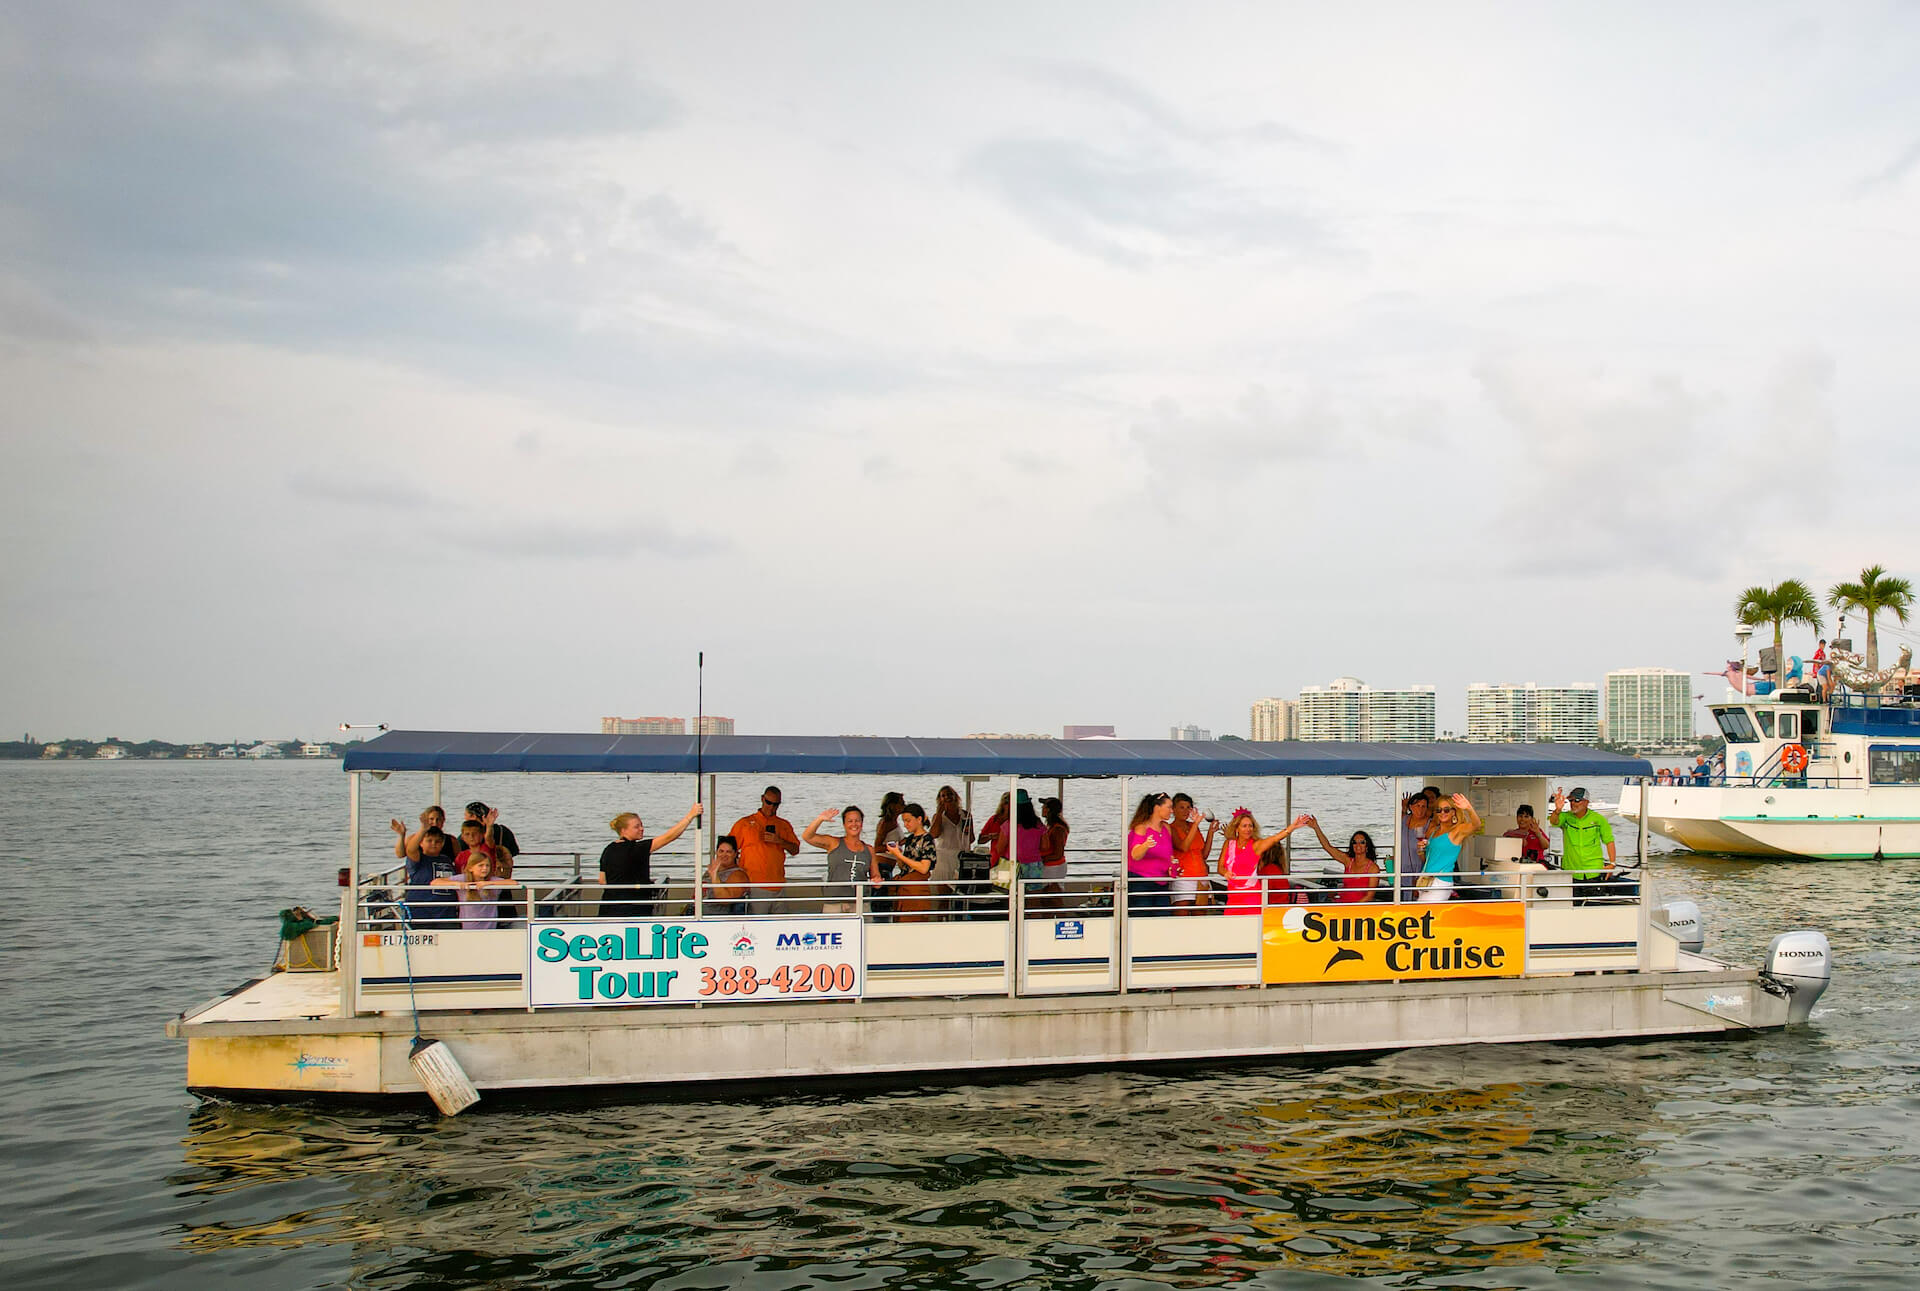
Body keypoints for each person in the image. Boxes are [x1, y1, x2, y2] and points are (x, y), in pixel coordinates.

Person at [598, 804, 703, 918]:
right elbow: (669, 837)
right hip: (634, 908)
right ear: (623, 830)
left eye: (641, 825)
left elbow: (602, 880)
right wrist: (691, 815)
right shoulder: (637, 849)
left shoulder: (608, 849)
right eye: (636, 827)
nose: (641, 829)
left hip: (609, 907)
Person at [1216, 809, 1310, 913]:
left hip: (1252, 897)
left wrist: (1291, 828)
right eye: (1244, 826)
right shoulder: (1228, 844)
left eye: (1250, 826)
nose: (1248, 829)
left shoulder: (1256, 845)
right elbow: (1220, 867)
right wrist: (1225, 873)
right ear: (1236, 828)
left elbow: (1275, 839)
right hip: (1233, 896)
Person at [728, 786, 802, 916]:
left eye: (776, 804)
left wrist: (780, 841)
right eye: (769, 803)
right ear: (762, 799)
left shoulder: (784, 825)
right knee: (756, 926)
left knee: (780, 927)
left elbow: (795, 850)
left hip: (779, 884)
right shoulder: (744, 823)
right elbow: (727, 850)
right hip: (754, 885)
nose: (772, 807)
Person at [803, 806, 881, 916]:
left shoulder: (869, 849)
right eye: (850, 821)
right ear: (844, 824)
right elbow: (807, 836)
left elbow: (876, 877)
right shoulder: (833, 843)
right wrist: (820, 819)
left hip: (860, 904)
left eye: (857, 821)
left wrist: (877, 881)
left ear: (862, 823)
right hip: (834, 903)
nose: (854, 824)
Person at [1549, 787, 1620, 903]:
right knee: (1572, 907)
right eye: (1570, 800)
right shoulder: (1566, 817)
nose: (1573, 804)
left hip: (1594, 872)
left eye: (1577, 800)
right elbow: (1554, 821)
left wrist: (1612, 863)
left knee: (1593, 907)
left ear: (1586, 802)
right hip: (1572, 872)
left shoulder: (1598, 819)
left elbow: (1609, 841)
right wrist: (1557, 810)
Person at [1297, 816, 1385, 902]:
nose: (1358, 845)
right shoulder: (1348, 861)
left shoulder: (1373, 868)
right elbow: (1327, 847)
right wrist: (1316, 827)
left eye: (1362, 842)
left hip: (1359, 909)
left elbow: (1369, 896)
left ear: (1367, 846)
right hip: (1341, 903)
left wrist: (1352, 908)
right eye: (1354, 842)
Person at [1417, 793, 1482, 903]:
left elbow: (1477, 826)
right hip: (1426, 880)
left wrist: (1469, 808)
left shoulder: (1457, 831)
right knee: (1426, 916)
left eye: (1446, 810)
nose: (1442, 813)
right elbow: (1427, 860)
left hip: (1440, 882)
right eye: (1439, 810)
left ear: (1454, 812)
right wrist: (1420, 850)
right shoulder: (1433, 831)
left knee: (1426, 913)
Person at [884, 802, 939, 922]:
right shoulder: (910, 839)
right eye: (904, 821)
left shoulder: (927, 839)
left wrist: (899, 855)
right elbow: (904, 866)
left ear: (919, 819)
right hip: (905, 884)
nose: (906, 824)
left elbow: (924, 868)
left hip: (916, 888)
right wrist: (897, 855)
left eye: (908, 820)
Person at [434, 848, 515, 930]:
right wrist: (456, 884)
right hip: (469, 927)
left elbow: (513, 883)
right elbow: (435, 882)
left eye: (487, 865)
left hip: (490, 928)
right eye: (481, 865)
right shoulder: (463, 878)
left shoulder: (492, 880)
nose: (485, 868)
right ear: (470, 868)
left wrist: (488, 883)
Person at [1126, 792, 1177, 916]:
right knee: (1142, 916)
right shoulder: (1141, 827)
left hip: (1162, 881)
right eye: (1169, 807)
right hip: (1142, 881)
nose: (1172, 811)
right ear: (1157, 807)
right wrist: (1145, 845)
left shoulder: (1166, 828)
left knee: (1163, 916)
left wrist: (1172, 867)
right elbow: (1135, 854)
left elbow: (1169, 854)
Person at [1169, 793, 1219, 914]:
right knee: (1182, 916)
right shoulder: (1171, 828)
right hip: (1183, 878)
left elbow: (1204, 855)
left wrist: (1211, 832)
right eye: (1182, 807)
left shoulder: (1193, 827)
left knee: (1200, 917)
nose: (1185, 811)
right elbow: (1183, 847)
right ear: (1173, 809)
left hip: (1201, 875)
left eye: (1188, 808)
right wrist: (1196, 824)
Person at [400, 825, 460, 925]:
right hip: (422, 911)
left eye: (438, 841)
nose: (433, 844)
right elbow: (410, 850)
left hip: (446, 912)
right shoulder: (419, 859)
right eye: (429, 840)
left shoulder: (446, 859)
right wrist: (423, 829)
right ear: (421, 843)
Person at [931, 785, 974, 908]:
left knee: (961, 897)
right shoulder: (938, 817)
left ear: (955, 796)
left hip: (961, 858)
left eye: (949, 794)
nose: (947, 798)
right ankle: (941, 922)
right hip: (943, 860)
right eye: (943, 796)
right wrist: (939, 813)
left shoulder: (966, 815)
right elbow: (934, 834)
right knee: (943, 898)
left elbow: (971, 838)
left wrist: (966, 829)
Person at [1397, 793, 1434, 903]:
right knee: (1400, 900)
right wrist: (1403, 807)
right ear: (1411, 807)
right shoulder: (1404, 819)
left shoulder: (1430, 823)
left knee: (1418, 900)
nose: (1420, 809)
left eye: (1423, 806)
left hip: (1420, 866)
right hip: (1403, 867)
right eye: (1418, 806)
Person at [704, 835, 751, 916]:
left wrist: (715, 877)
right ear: (716, 852)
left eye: (728, 852)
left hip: (716, 918)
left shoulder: (738, 875)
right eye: (721, 851)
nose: (724, 855)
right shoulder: (712, 870)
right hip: (697, 912)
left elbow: (724, 899)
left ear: (735, 854)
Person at [1038, 796, 1070, 907]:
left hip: (1054, 867)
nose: (1042, 808)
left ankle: (1060, 918)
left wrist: (1040, 859)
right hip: (1050, 866)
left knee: (1054, 897)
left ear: (1049, 810)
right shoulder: (1051, 827)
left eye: (1044, 806)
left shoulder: (1058, 829)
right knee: (1046, 898)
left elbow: (1058, 853)